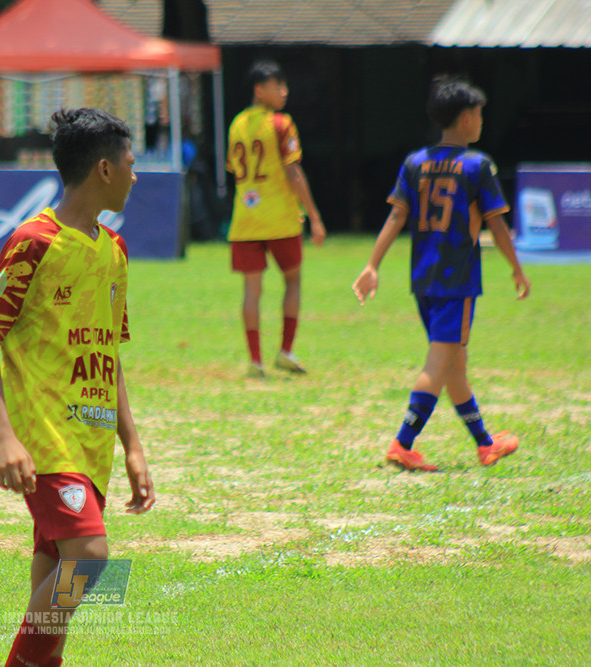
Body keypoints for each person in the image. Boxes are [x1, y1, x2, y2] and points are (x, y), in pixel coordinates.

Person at [0, 107, 156, 667]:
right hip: (45, 437)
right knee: (91, 558)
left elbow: (109, 353)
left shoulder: (115, 250)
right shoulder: (33, 241)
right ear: (104, 169)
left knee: (54, 577)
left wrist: (132, 445)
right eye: (130, 164)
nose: (135, 175)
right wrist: (4, 437)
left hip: (91, 441)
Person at [352, 75, 532, 471]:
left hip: (424, 280)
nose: (481, 121)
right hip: (457, 280)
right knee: (439, 365)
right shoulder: (477, 165)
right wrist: (517, 268)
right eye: (480, 114)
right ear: (467, 119)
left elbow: (396, 215)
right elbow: (497, 224)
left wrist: (372, 265)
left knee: (454, 366)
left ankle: (485, 444)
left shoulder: (415, 162)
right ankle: (402, 443)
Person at [226, 59, 327, 378]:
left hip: (245, 219)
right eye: (278, 86)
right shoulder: (281, 124)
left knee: (251, 291)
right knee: (293, 280)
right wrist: (314, 216)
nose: (284, 91)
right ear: (260, 90)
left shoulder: (237, 124)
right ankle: (285, 350)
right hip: (281, 218)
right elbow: (292, 172)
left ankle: (255, 360)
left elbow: (233, 169)